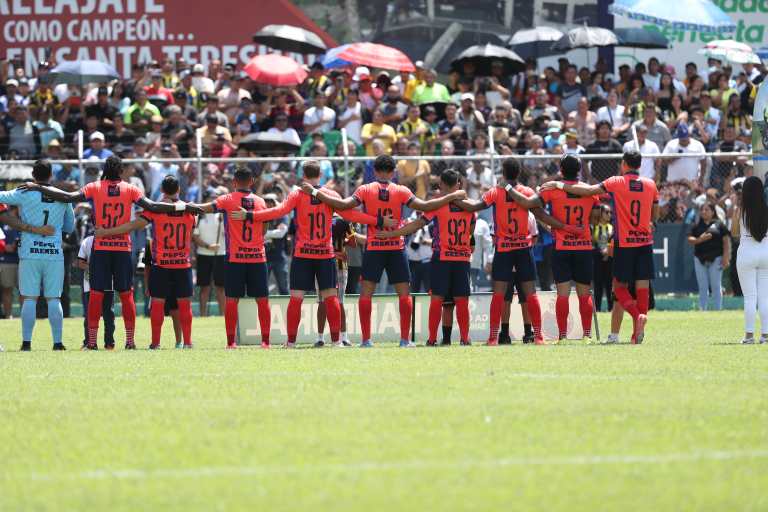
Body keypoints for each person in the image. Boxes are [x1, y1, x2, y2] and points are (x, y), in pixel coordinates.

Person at [22, 155, 200, 350]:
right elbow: (153, 206)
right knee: (126, 294)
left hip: (101, 248)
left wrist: (39, 187)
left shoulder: (94, 187)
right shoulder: (131, 189)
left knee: (96, 294)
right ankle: (130, 341)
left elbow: (68, 197)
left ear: (104, 170)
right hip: (123, 249)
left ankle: (91, 341)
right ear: (121, 171)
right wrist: (186, 206)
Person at [309, 154, 467, 348]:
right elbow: (425, 206)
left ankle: (366, 340)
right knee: (404, 294)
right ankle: (404, 340)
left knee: (366, 294)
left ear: (374, 171)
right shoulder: (401, 190)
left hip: (374, 246)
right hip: (396, 246)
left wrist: (315, 192)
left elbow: (342, 207)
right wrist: (452, 195)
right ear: (394, 172)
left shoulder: (365, 189)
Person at [251, 161, 384, 348]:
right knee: (331, 297)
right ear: (320, 174)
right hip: (325, 254)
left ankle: (290, 342)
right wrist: (378, 220)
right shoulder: (331, 195)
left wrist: (251, 216)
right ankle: (337, 341)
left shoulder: (297, 194)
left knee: (296, 298)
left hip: (303, 253)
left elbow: (278, 211)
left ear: (303, 175)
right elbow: (352, 215)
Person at [452, 159, 577, 345]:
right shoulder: (527, 192)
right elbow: (540, 213)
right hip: (523, 248)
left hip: (504, 249)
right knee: (530, 293)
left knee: (499, 294)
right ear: (519, 173)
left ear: (503, 172)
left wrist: (451, 197)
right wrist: (559, 227)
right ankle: (538, 336)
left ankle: (493, 337)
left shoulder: (495, 192)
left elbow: (473, 207)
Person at [541, 150, 659, 344]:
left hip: (623, 243)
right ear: (640, 164)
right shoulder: (651, 184)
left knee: (618, 288)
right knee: (642, 287)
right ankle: (635, 332)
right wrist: (652, 223)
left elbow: (588, 191)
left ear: (623, 163)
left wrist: (558, 184)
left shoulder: (616, 182)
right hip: (645, 242)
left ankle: (636, 316)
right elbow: (655, 212)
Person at [94, 176, 197, 349]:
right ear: (178, 189)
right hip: (182, 263)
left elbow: (134, 226)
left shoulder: (155, 210)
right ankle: (187, 342)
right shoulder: (190, 211)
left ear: (162, 190)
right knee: (184, 304)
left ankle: (155, 343)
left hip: (161, 263)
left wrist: (106, 232)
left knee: (157, 302)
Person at [377, 170, 475, 346]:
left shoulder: (437, 206)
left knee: (437, 299)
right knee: (462, 300)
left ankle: (431, 339)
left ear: (442, 185)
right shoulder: (471, 207)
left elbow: (416, 225)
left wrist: (393, 234)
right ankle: (465, 339)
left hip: (442, 258)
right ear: (459, 184)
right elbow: (471, 235)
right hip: (462, 259)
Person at [506, 155, 599, 341]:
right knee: (584, 293)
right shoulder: (590, 191)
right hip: (583, 246)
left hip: (561, 246)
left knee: (562, 294)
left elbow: (531, 206)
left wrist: (556, 225)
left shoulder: (551, 189)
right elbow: (595, 219)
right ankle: (587, 336)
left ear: (561, 170)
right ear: (579, 170)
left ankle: (563, 337)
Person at [190, 168, 270, 349]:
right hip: (257, 257)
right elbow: (264, 228)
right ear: (252, 181)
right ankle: (265, 342)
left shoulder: (226, 200)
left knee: (232, 299)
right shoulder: (260, 201)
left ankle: (231, 342)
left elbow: (205, 208)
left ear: (234, 182)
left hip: (236, 258)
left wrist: (183, 206)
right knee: (262, 299)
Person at [0, 160, 74, 351]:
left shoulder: (25, 192)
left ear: (33, 174)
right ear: (51, 175)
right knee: (53, 299)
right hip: (54, 253)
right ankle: (57, 343)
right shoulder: (62, 197)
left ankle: (26, 343)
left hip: (29, 251)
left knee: (30, 297)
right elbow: (70, 227)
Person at [730, 176, 768, 344]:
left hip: (747, 253)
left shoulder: (741, 210)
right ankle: (766, 336)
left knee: (750, 297)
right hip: (766, 253)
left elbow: (734, 232)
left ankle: (749, 336)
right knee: (765, 297)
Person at [688, 202, 730, 311]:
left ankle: (718, 309)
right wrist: (699, 239)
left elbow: (726, 241)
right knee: (703, 287)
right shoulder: (696, 225)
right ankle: (703, 309)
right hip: (699, 258)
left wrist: (726, 257)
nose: (704, 212)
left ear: (713, 212)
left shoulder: (719, 224)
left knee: (716, 285)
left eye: (707, 209)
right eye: (702, 210)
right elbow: (690, 239)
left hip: (716, 258)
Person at [77, 234, 116, 349]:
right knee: (90, 314)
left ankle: (109, 343)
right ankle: (89, 342)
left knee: (109, 315)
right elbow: (80, 262)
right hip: (90, 285)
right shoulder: (88, 241)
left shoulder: (114, 239)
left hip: (108, 284)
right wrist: (94, 268)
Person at [192, 196, 226, 316]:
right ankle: (202, 315)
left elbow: (226, 233)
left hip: (220, 255)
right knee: (204, 288)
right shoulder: (199, 217)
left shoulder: (222, 216)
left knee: (220, 288)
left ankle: (223, 315)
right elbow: (195, 237)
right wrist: (208, 246)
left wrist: (224, 221)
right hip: (203, 256)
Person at [592, 204, 614, 312]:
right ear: (601, 214)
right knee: (598, 284)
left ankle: (611, 308)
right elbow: (592, 243)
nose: (609, 215)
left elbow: (614, 242)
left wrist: (608, 252)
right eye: (607, 212)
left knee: (610, 284)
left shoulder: (612, 227)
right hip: (597, 259)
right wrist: (600, 252)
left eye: (610, 213)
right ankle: (597, 309)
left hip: (610, 260)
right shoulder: (594, 227)